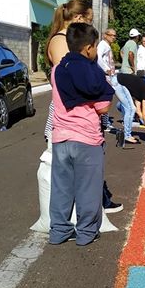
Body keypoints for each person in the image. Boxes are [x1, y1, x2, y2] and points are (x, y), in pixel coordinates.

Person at [43, 0, 121, 212]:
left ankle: (90, 206)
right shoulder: (62, 42)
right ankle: (80, 217)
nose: (90, 26)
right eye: (88, 20)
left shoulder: (63, 41)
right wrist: (102, 90)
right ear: (78, 18)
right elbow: (73, 80)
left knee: (84, 168)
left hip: (80, 111)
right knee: (74, 170)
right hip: (74, 114)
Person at [48, 23, 114, 247]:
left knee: (61, 189)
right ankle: (86, 233)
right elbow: (103, 106)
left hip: (61, 138)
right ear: (88, 48)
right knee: (88, 189)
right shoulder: (92, 72)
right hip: (87, 139)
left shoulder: (57, 70)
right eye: (95, 47)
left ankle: (58, 231)